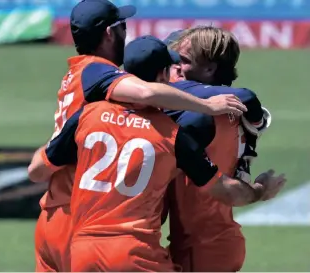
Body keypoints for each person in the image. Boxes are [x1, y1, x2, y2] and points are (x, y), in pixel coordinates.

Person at [28, 1, 249, 272]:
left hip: (53, 216)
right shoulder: (99, 73)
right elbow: (146, 93)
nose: (126, 32)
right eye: (122, 26)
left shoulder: (81, 87)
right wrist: (209, 105)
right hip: (85, 219)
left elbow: (37, 170)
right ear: (109, 33)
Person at [26, 74, 286, 271]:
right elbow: (227, 191)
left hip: (82, 250)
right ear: (162, 78)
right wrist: (261, 190)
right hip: (136, 253)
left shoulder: (90, 114)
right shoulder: (172, 135)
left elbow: (37, 170)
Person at [159, 26, 272, 272]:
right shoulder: (227, 109)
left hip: (201, 249)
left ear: (209, 69)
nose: (175, 67)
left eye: (183, 61)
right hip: (216, 240)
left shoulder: (203, 115)